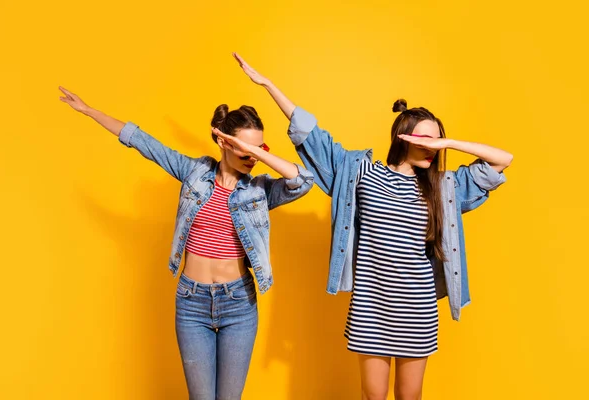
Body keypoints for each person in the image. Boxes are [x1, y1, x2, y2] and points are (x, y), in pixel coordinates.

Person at [232, 54, 513, 400]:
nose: (430, 147)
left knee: (409, 397)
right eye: (424, 138)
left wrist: (448, 144)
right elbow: (311, 136)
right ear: (401, 136)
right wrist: (269, 86)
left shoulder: (444, 187)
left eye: (435, 140)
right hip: (371, 305)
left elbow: (502, 161)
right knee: (372, 396)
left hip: (417, 308)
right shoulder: (362, 173)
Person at [58, 86, 314, 399]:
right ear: (223, 141)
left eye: (260, 149)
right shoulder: (194, 172)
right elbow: (142, 141)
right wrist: (89, 110)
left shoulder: (259, 191)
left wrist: (256, 150)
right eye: (244, 149)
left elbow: (302, 181)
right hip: (192, 302)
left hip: (239, 304)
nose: (253, 157)